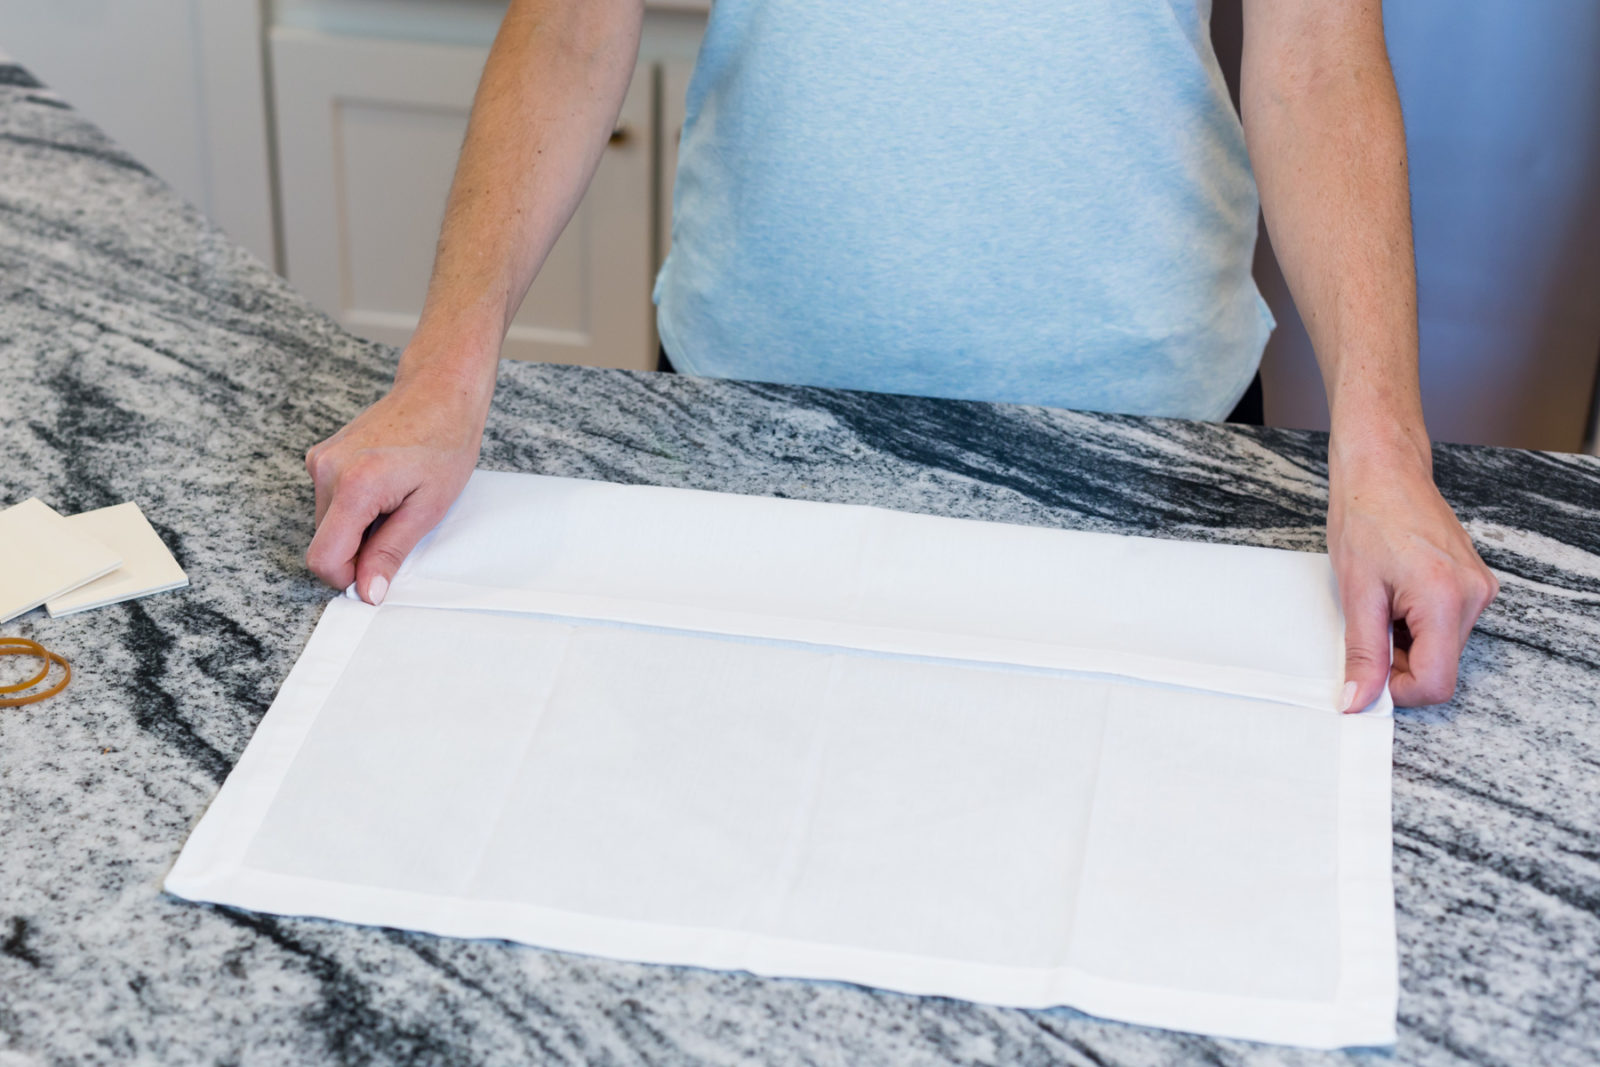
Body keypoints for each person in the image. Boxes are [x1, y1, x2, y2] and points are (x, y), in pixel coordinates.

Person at [304, 0, 1498, 710]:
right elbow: (571, 26)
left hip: (1146, 436)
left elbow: (1317, 58)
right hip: (748, 410)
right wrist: (442, 374)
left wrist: (1384, 449)